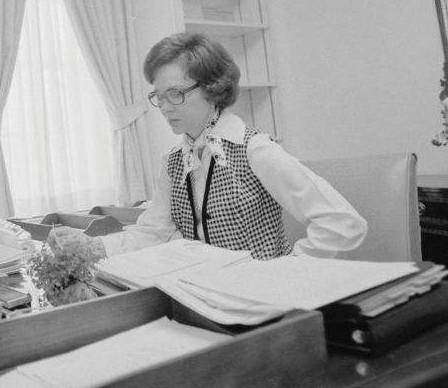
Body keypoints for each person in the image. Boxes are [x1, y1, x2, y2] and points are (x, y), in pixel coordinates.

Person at [100, 32, 367, 260]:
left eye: (176, 93)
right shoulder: (173, 162)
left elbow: (342, 223)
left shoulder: (255, 150)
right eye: (159, 96)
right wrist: (92, 249)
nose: (165, 107)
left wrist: (289, 270)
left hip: (263, 301)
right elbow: (153, 232)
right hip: (205, 293)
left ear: (212, 88)